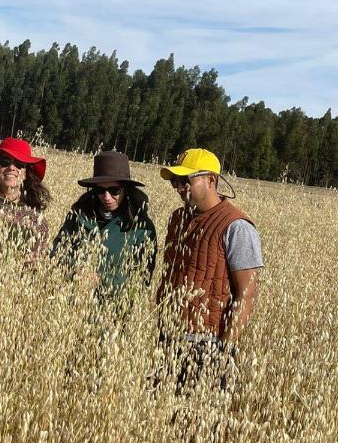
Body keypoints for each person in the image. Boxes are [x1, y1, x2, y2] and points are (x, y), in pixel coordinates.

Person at [156, 148, 263, 392]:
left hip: (207, 344)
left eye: (186, 180)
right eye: (175, 180)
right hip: (169, 337)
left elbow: (245, 295)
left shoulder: (237, 227)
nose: (179, 187)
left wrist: (224, 351)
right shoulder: (177, 218)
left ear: (211, 180)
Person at [51, 151, 157, 304]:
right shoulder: (78, 216)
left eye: (114, 190)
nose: (106, 197)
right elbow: (57, 253)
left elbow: (142, 279)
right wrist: (76, 270)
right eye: (100, 190)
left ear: (126, 189)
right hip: (71, 308)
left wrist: (101, 278)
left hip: (114, 314)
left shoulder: (142, 228)